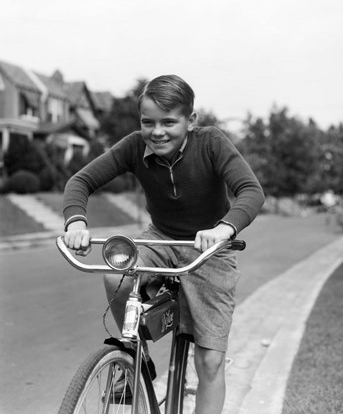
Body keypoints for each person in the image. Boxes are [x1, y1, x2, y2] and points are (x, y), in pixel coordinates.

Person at [63, 74, 265, 414]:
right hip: (161, 237)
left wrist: (223, 229)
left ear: (191, 120)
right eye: (148, 122)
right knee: (116, 274)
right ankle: (136, 357)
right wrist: (76, 221)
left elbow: (252, 191)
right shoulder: (132, 146)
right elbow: (80, 181)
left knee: (210, 361)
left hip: (210, 247)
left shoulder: (212, 143)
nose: (157, 132)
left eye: (169, 122)